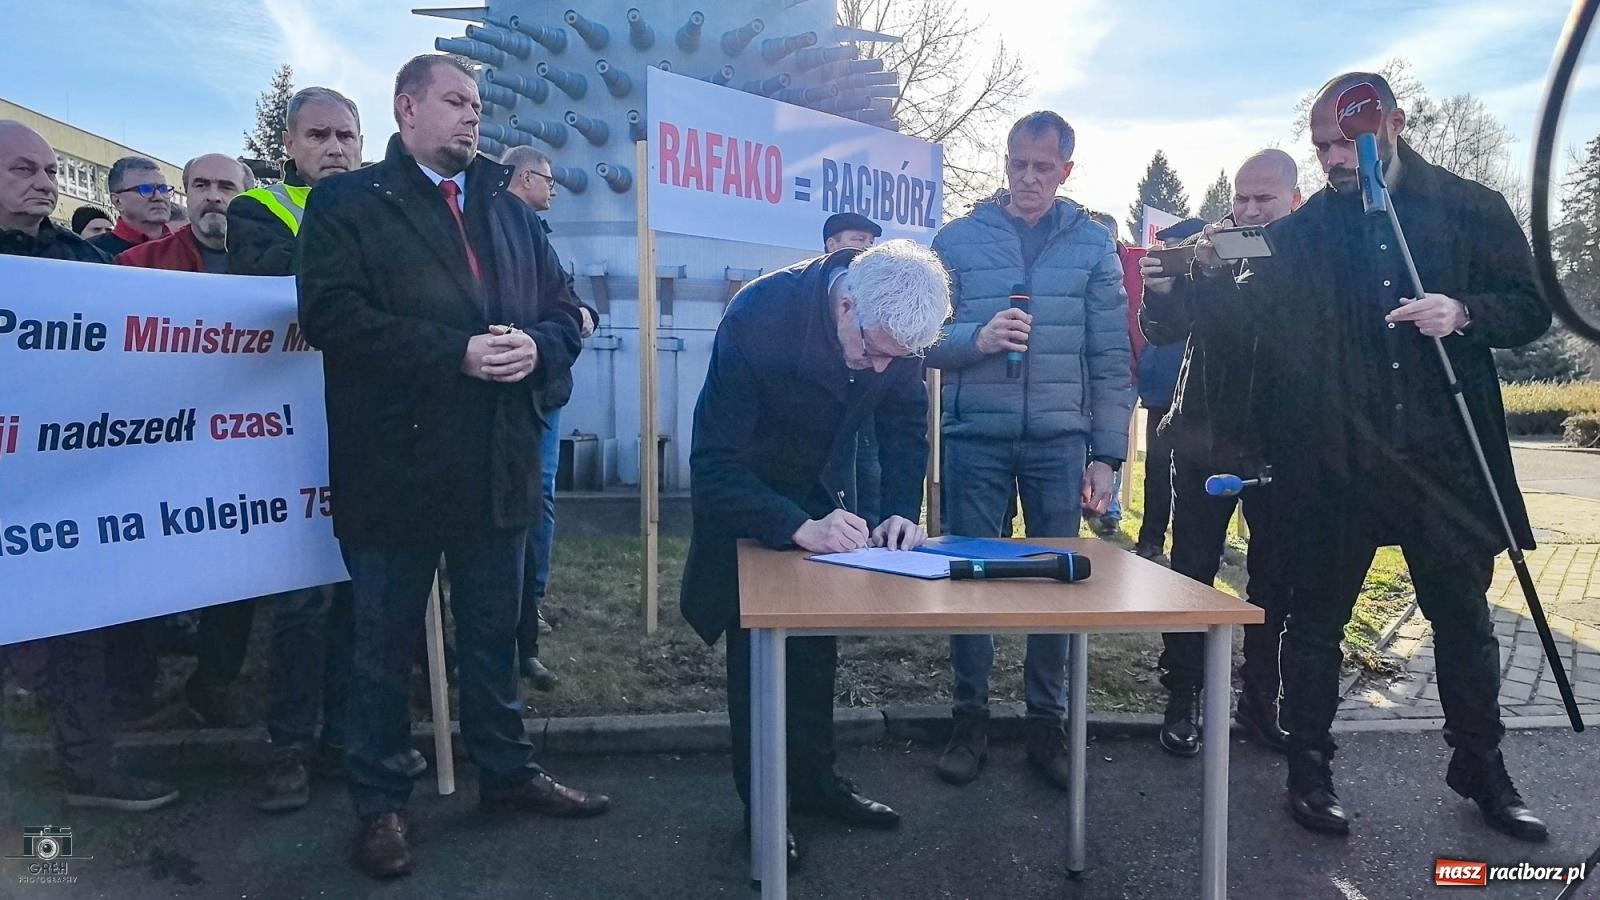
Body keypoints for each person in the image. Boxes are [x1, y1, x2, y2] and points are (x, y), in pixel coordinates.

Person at [1175, 72, 1551, 842]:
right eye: (1321, 146)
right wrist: (1191, 279)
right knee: (1316, 620)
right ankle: (1308, 768)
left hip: (1444, 458)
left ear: (1397, 124)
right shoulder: (1308, 231)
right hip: (1338, 460)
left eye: (1349, 142)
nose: (1335, 159)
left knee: (1464, 621)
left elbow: (1532, 308)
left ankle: (1480, 763)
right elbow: (1245, 310)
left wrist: (1463, 311)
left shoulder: (1469, 207)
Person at [296, 53, 605, 879]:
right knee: (383, 648)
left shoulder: (508, 205)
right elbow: (330, 316)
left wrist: (536, 346)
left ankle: (506, 773)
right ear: (406, 109)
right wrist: (455, 353)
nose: (475, 118)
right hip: (395, 464)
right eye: (458, 102)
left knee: (493, 638)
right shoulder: (347, 202)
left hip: (496, 460)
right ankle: (381, 805)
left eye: (478, 106)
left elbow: (567, 307)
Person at [680, 239, 950, 867]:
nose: (881, 370)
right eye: (874, 352)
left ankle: (816, 785)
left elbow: (907, 423)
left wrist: (899, 510)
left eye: (897, 358)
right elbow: (713, 465)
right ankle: (764, 811)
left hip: (826, 497)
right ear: (846, 302)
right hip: (750, 502)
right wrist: (799, 525)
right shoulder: (758, 316)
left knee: (814, 655)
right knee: (759, 661)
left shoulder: (893, 330)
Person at [924, 110, 1133, 790]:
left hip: (1058, 442)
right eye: (1018, 163)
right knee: (969, 581)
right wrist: (975, 339)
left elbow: (1110, 355)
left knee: (1058, 586)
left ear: (1067, 170)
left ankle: (1048, 724)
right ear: (1005, 161)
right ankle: (970, 718)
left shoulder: (1095, 245)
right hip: (975, 439)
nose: (1028, 178)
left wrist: (1107, 452)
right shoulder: (956, 239)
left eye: (1044, 167)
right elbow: (922, 336)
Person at [225, 85, 416, 814]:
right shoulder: (259, 211)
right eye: (319, 136)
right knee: (303, 604)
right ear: (291, 146)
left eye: (347, 136)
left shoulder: (392, 208)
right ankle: (288, 748)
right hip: (292, 437)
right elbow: (284, 283)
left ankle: (347, 737)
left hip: (370, 432)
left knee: (364, 603)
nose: (335, 149)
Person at [0, 120, 180, 813]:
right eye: (25, 171)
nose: (45, 182)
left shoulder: (85, 260)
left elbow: (135, 348)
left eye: (50, 171)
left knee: (79, 625)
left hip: (64, 479)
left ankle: (86, 766)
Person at [1139, 151, 1302, 759]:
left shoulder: (1300, 255)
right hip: (1203, 440)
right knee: (1191, 575)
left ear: (1294, 200)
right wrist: (1160, 291)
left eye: (1265, 199)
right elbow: (1163, 331)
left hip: (1277, 445)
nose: (1251, 210)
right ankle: (1182, 700)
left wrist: (1206, 279)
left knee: (1274, 583)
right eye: (1242, 198)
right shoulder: (1208, 249)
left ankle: (1260, 704)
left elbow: (1257, 321)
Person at [501, 144, 599, 693]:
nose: (554, 189)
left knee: (536, 504)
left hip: (543, 395)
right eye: (547, 179)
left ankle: (525, 624)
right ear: (523, 177)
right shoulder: (487, 229)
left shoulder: (541, 238)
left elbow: (567, 303)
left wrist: (579, 315)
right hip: (501, 398)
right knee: (515, 509)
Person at [1132, 218, 1201, 562]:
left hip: (1193, 398)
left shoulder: (1201, 286)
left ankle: (1193, 546)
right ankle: (1150, 539)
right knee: (1157, 471)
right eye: (1167, 247)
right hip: (1161, 397)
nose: (1172, 255)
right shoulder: (1158, 291)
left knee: (1190, 478)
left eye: (1179, 247)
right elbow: (1153, 336)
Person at [1084, 210, 1146, 538]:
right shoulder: (1080, 265)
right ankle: (1083, 498)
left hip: (1127, 373)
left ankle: (1109, 508)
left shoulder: (1139, 264)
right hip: (1082, 371)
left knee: (1112, 439)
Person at [822, 212, 886, 527]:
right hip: (827, 419)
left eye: (872, 244)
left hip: (868, 416)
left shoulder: (886, 297)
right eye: (858, 240)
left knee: (871, 488)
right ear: (831, 244)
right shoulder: (812, 297)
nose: (866, 250)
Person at [117, 154, 251, 272]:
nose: (213, 196)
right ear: (187, 195)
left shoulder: (270, 261)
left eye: (226, 187)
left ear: (248, 196)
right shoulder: (139, 264)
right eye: (201, 186)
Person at [89, 155, 174, 256]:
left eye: (163, 189)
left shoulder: (187, 249)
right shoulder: (91, 253)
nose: (159, 197)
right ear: (117, 201)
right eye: (146, 189)